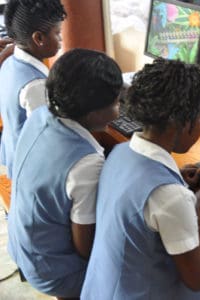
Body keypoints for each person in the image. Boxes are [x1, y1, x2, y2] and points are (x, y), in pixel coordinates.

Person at [81, 58, 200, 299]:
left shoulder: (120, 152)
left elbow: (140, 197)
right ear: (179, 123)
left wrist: (174, 180)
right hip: (141, 293)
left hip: (102, 288)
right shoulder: (169, 196)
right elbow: (197, 279)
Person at [7, 48, 123, 299]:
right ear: (93, 113)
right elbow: (86, 248)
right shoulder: (85, 163)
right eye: (116, 102)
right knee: (140, 259)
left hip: (22, 246)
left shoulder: (40, 115)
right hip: (55, 271)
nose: (119, 107)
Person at [0, 0, 66, 178]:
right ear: (39, 38)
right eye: (58, 33)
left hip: (10, 156)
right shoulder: (36, 85)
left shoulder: (8, 62)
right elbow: (47, 140)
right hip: (30, 171)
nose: (61, 39)